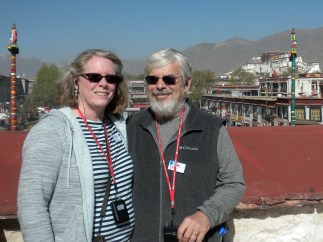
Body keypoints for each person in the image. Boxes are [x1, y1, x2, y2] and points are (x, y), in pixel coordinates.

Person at [127, 48, 245, 242]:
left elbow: (233, 183)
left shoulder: (211, 129)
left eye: (169, 79)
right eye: (152, 79)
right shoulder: (131, 128)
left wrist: (206, 215)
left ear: (187, 84)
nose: (160, 86)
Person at [18, 49, 135, 242]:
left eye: (111, 78)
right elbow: (32, 206)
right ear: (75, 82)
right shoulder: (53, 130)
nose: (103, 84)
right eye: (94, 77)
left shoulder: (119, 126)